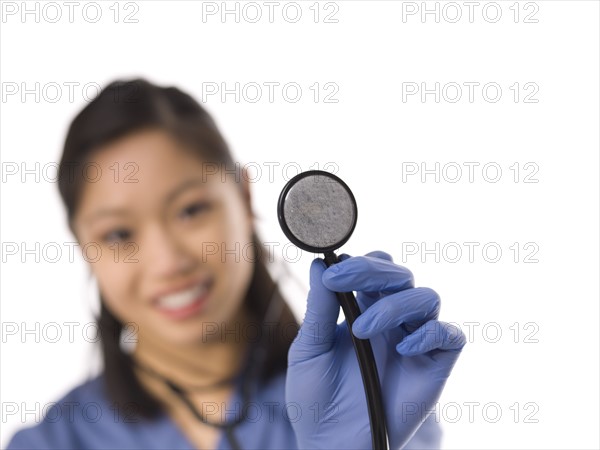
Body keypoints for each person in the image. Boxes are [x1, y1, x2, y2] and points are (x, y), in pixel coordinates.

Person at [6, 79, 466, 450]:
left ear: (244, 197)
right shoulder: (53, 441)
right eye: (119, 235)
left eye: (190, 210)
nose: (168, 262)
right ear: (84, 247)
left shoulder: (364, 392)